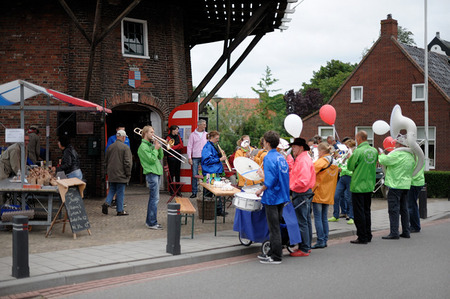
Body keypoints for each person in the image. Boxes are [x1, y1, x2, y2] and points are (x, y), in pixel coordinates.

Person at [255, 131, 290, 264]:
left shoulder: (268, 158)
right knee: (277, 226)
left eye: (264, 141)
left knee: (273, 227)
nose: (263, 143)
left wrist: (260, 190)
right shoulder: (281, 157)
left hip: (272, 197)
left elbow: (269, 180)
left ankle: (276, 256)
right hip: (281, 195)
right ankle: (272, 251)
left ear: (267, 143)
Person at [378, 138, 415, 239]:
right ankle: (406, 231)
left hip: (395, 184)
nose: (395, 145)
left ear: (399, 145)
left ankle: (394, 232)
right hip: (406, 185)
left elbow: (383, 160)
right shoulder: (410, 156)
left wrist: (381, 153)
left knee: (393, 209)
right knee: (404, 209)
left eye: (396, 143)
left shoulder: (397, 154)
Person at [346, 131, 378, 244]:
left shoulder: (358, 151)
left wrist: (350, 157)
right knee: (367, 211)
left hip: (358, 185)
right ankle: (368, 234)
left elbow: (350, 167)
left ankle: (362, 236)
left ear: (359, 138)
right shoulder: (374, 151)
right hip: (369, 184)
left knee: (359, 213)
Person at [286, 137, 316, 257]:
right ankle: (306, 246)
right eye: (292, 146)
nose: (292, 149)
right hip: (305, 192)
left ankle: (304, 248)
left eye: (294, 146)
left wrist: (291, 186)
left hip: (301, 192)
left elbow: (303, 180)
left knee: (302, 221)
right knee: (306, 220)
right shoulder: (302, 158)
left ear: (301, 147)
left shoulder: (302, 160)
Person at [311, 142, 339, 249]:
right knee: (324, 217)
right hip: (328, 192)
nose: (318, 153)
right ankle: (325, 239)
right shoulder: (334, 161)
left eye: (318, 151)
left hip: (319, 191)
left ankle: (320, 240)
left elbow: (311, 171)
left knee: (318, 217)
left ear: (322, 151)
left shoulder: (321, 161)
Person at [137, 125, 164, 230]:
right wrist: (156, 149)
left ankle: (150, 221)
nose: (154, 134)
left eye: (153, 132)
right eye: (151, 132)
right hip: (151, 174)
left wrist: (159, 147)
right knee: (154, 199)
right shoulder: (143, 147)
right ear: (145, 134)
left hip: (156, 172)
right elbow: (151, 160)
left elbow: (160, 157)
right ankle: (152, 222)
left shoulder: (150, 145)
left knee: (154, 199)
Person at [102, 130, 132, 216]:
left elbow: (106, 161)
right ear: (123, 137)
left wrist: (107, 172)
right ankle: (120, 210)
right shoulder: (125, 147)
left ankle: (107, 202)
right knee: (120, 192)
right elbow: (127, 163)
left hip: (111, 173)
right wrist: (128, 173)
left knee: (112, 189)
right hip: (121, 174)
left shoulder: (110, 147)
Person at [201, 131, 228, 216]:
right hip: (210, 172)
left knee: (215, 191)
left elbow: (212, 157)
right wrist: (219, 159)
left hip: (214, 171)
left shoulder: (212, 146)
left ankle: (217, 210)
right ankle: (209, 210)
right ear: (211, 138)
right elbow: (207, 160)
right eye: (216, 138)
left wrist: (220, 154)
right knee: (210, 192)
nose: (217, 140)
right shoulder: (208, 147)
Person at [329, 138, 355, 224]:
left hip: (350, 177)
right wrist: (338, 167)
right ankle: (335, 215)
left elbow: (352, 166)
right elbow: (340, 163)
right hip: (342, 177)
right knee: (336, 196)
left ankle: (352, 216)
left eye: (348, 147)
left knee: (349, 198)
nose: (347, 148)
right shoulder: (345, 154)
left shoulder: (353, 154)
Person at [187, 119, 207, 198]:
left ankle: (205, 192)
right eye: (204, 124)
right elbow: (189, 146)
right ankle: (194, 192)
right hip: (195, 156)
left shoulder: (206, 134)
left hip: (204, 157)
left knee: (205, 174)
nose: (205, 126)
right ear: (199, 125)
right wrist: (189, 157)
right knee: (194, 174)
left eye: (205, 124)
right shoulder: (193, 134)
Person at [165, 125, 184, 196]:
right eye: (176, 130)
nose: (177, 131)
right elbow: (169, 148)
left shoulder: (178, 136)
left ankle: (178, 190)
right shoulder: (168, 137)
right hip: (171, 157)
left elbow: (181, 146)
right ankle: (171, 190)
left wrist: (175, 147)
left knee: (177, 174)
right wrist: (177, 146)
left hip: (178, 156)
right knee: (171, 174)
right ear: (172, 130)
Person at [407, 162, 425, 233]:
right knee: (413, 204)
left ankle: (415, 226)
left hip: (413, 182)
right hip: (419, 181)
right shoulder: (419, 155)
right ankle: (415, 225)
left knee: (411, 205)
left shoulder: (413, 156)